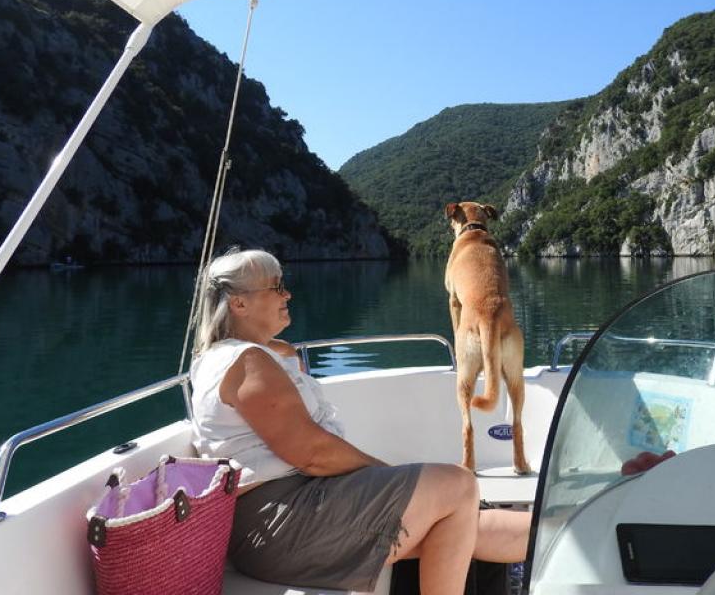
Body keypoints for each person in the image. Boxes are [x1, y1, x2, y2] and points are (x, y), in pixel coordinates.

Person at [189, 248, 530, 594]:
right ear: (239, 303)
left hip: (288, 514)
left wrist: (397, 484)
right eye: (276, 287)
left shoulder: (247, 356)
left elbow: (293, 403)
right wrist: (385, 473)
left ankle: (556, 532)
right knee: (458, 485)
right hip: (280, 521)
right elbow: (312, 453)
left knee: (464, 520)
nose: (287, 294)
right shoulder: (248, 363)